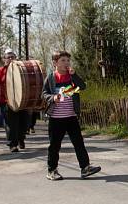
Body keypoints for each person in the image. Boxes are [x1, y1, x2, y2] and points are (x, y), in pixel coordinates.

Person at [41, 50, 101, 181]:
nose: (66, 63)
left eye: (68, 60)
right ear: (55, 63)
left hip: (71, 116)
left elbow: (82, 86)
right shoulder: (51, 77)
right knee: (54, 145)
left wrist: (75, 76)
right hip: (56, 118)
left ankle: (85, 168)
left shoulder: (71, 76)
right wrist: (52, 97)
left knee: (79, 143)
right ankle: (52, 170)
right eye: (62, 61)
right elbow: (44, 94)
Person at [0, 48, 29, 152]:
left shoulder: (22, 69)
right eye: (8, 57)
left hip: (22, 101)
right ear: (4, 59)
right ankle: (13, 144)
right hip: (6, 101)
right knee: (11, 124)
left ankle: (21, 138)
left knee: (24, 123)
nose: (11, 59)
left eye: (13, 57)